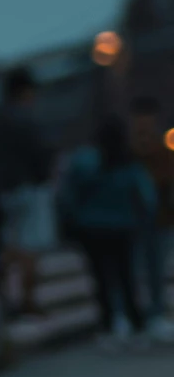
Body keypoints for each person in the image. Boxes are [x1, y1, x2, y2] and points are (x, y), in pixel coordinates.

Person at [58, 114, 157, 347]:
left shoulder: (84, 160)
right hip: (123, 227)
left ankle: (109, 324)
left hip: (92, 228)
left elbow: (68, 196)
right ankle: (136, 324)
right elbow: (147, 196)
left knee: (101, 279)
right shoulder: (129, 162)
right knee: (127, 277)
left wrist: (73, 219)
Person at [0, 66, 53, 315]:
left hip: (0, 191)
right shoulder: (25, 118)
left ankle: (0, 288)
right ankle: (27, 300)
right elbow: (40, 155)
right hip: (27, 188)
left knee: (9, 244)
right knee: (30, 247)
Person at [128, 96, 174, 344]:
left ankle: (154, 313)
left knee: (155, 268)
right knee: (140, 269)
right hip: (135, 220)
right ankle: (142, 315)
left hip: (160, 218)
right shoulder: (129, 151)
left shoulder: (162, 148)